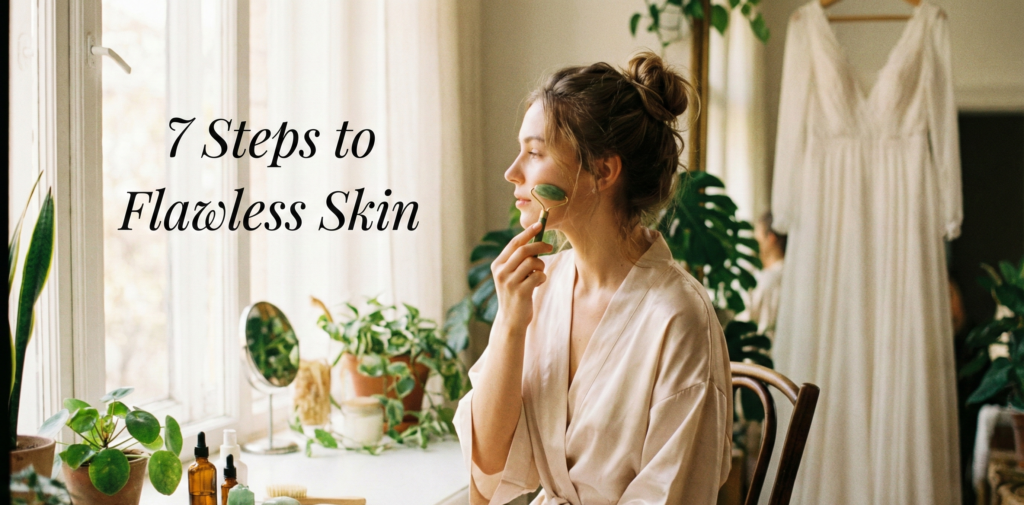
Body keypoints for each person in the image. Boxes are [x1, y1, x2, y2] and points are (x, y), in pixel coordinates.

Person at [453, 51, 733, 505]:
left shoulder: (678, 320)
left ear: (602, 171)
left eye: (534, 152)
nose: (512, 172)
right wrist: (509, 324)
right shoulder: (542, 290)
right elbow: (487, 471)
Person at [748, 211, 787, 341]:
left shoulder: (769, 280)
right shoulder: (796, 276)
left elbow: (760, 329)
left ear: (770, 238)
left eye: (757, 235)